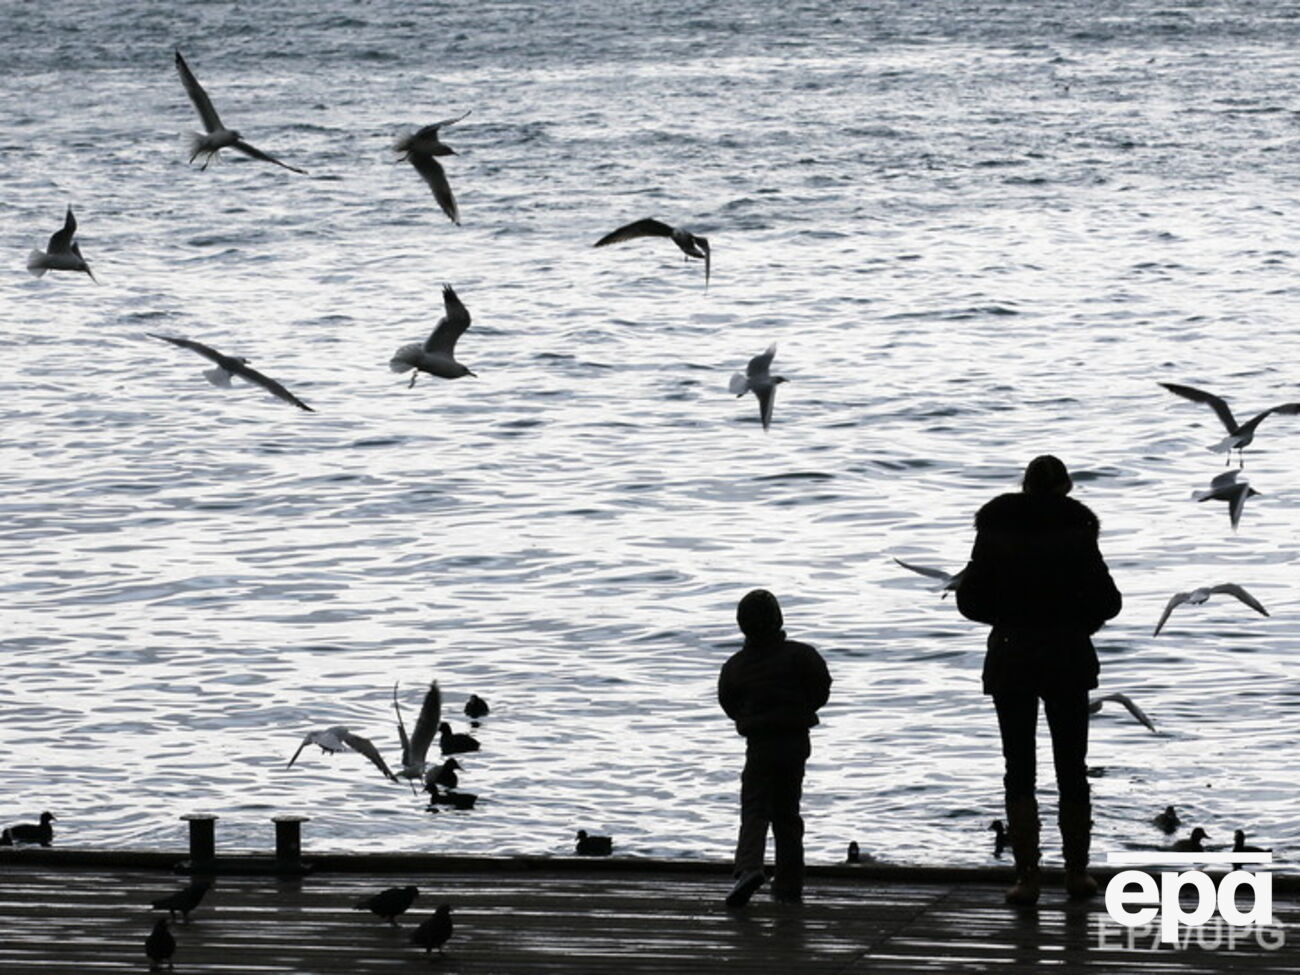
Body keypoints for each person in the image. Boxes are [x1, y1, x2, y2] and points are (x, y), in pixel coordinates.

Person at [956, 455, 1121, 905]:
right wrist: (1075, 621)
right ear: (1066, 487)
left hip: (1011, 657)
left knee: (1019, 768)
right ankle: (1076, 874)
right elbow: (1109, 602)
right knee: (1072, 767)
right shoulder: (1078, 532)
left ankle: (1027, 877)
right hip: (1067, 657)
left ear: (1024, 486)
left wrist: (1008, 619)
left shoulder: (994, 531)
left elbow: (968, 602)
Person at [718, 589, 832, 907]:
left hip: (759, 743)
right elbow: (822, 687)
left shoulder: (736, 666)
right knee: (787, 814)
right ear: (778, 619)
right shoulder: (801, 655)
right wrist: (801, 708)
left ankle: (750, 868)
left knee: (755, 808)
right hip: (795, 740)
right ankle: (789, 883)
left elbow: (728, 702)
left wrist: (749, 716)